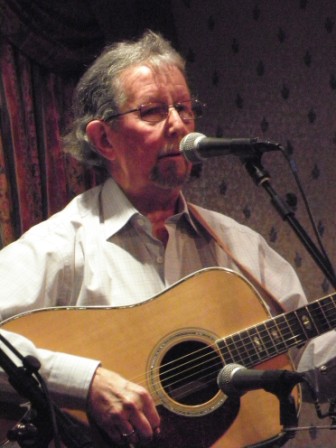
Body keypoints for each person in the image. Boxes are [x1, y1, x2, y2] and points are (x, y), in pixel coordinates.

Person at [0, 30, 336, 447]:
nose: (178, 125)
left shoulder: (239, 245)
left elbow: (309, 359)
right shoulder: (60, 243)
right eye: (153, 111)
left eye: (184, 108)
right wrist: (86, 383)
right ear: (104, 139)